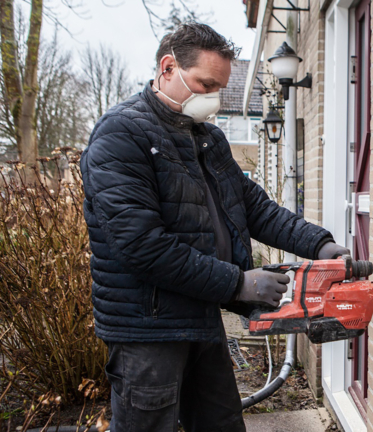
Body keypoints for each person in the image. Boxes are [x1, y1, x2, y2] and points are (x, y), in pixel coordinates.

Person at [80, 22, 348, 432]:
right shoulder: (121, 135)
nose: (214, 99)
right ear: (168, 67)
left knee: (221, 422)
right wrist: (237, 284)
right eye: (205, 84)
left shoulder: (206, 138)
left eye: (219, 88)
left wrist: (320, 244)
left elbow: (254, 207)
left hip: (200, 314)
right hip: (148, 329)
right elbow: (141, 245)